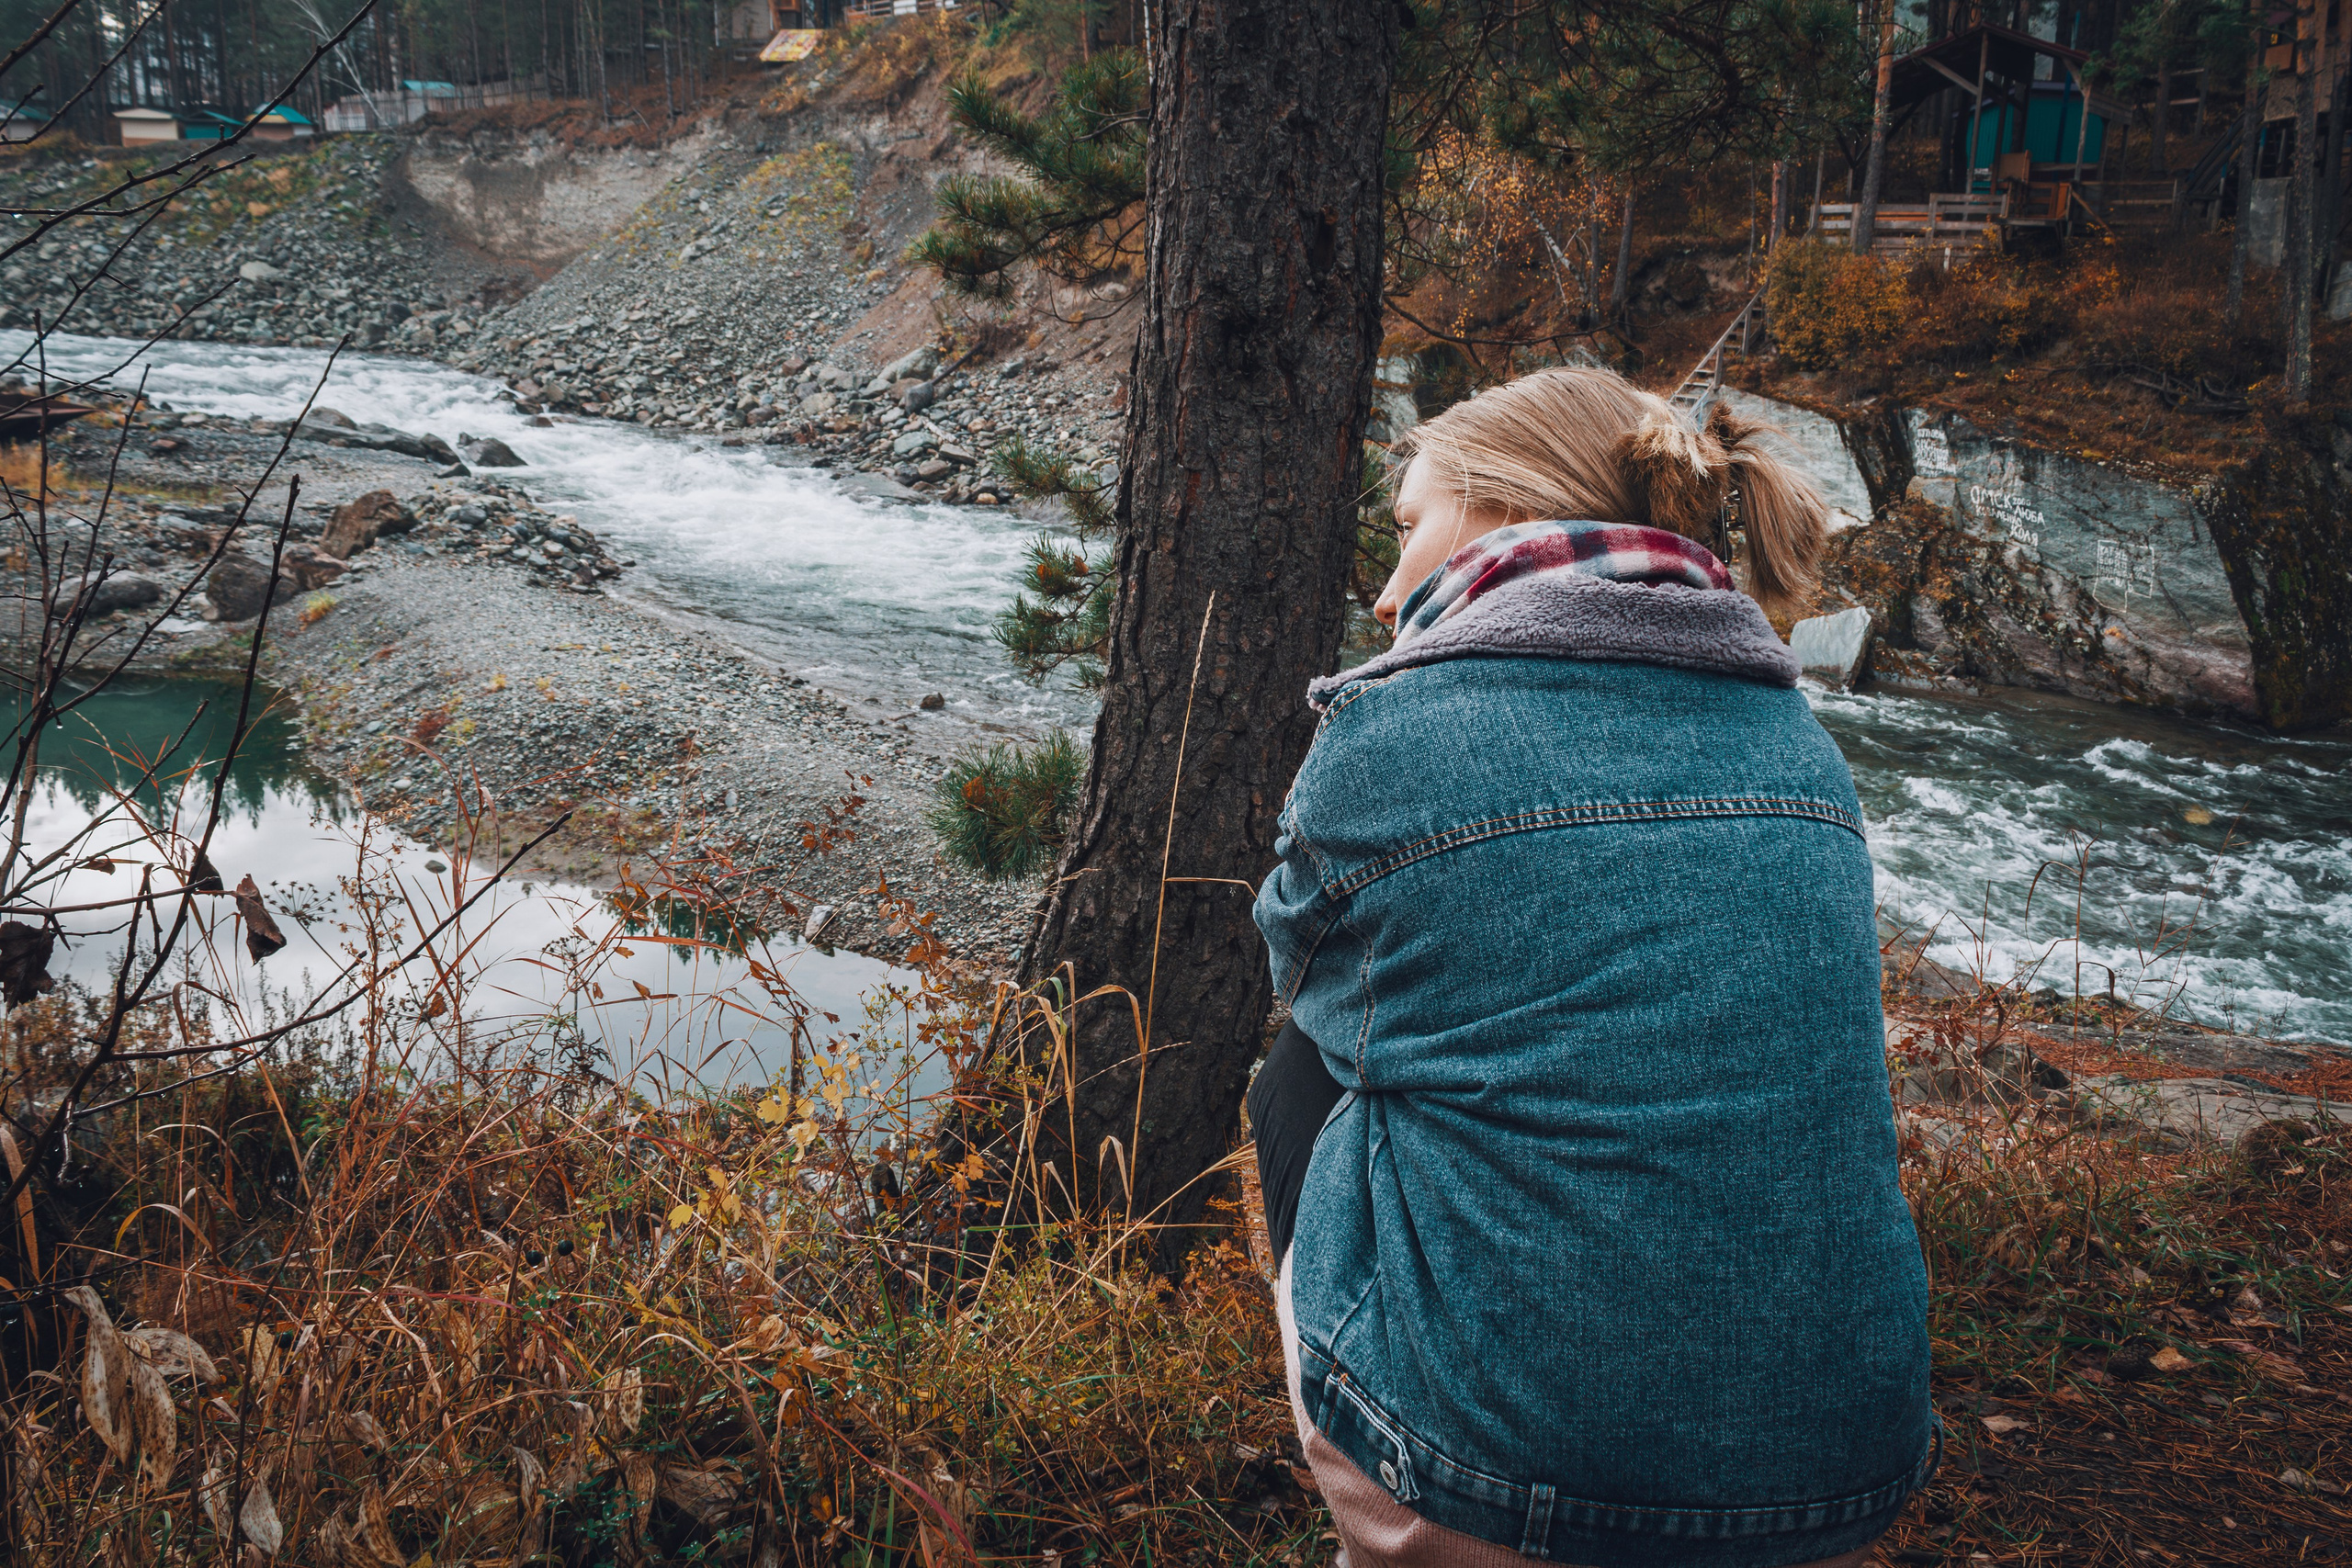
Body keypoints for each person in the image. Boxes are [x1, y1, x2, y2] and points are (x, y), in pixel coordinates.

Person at [1249, 367, 1936, 1568]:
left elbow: (1303, 968)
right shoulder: (1802, 745)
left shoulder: (1394, 727)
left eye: (1409, 528)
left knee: (1302, 1075)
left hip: (1509, 1486)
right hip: (1839, 1478)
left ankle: (1411, 1501)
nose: (1385, 587)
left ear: (1499, 509)